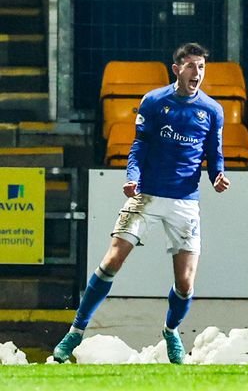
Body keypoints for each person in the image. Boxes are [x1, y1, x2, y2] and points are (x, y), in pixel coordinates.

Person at [53, 42, 230, 364]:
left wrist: (217, 176)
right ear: (176, 69)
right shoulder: (153, 101)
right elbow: (139, 148)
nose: (197, 73)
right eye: (191, 66)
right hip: (146, 194)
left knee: (186, 283)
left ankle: (171, 330)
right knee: (111, 261)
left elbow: (214, 155)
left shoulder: (212, 110)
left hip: (185, 202)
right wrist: (131, 176)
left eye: (201, 67)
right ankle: (75, 331)